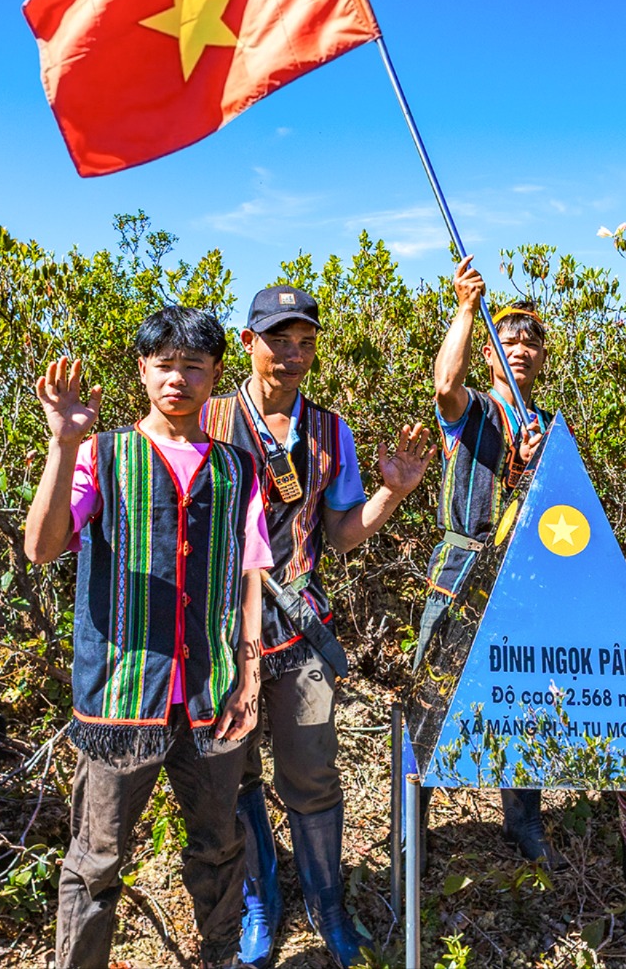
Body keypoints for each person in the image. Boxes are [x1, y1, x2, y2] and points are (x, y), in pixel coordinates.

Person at [24, 307, 270, 969]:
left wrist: (247, 678)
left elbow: (250, 578)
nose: (178, 379)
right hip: (120, 701)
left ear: (217, 374)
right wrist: (63, 444)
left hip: (211, 698)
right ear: (142, 370)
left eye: (194, 365)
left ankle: (221, 957)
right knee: (96, 859)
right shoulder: (102, 455)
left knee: (220, 847)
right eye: (165, 364)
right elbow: (42, 546)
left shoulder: (240, 470)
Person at [201, 285, 432, 968]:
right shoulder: (208, 417)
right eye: (279, 339)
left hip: (299, 629)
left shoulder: (329, 430)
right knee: (232, 775)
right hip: (217, 636)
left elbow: (342, 533)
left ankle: (329, 904)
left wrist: (393, 489)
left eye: (304, 341)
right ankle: (259, 900)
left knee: (312, 771)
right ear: (247, 343)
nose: (293, 354)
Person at [413, 255, 565, 868]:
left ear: (543, 358)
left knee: (523, 697)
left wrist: (534, 468)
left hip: (523, 578)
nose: (520, 349)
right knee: (432, 695)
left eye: (532, 342)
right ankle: (412, 823)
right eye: (509, 339)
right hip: (462, 566)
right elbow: (442, 386)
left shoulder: (550, 425)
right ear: (489, 350)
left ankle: (522, 820)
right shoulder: (471, 408)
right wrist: (466, 308)